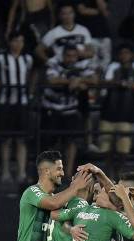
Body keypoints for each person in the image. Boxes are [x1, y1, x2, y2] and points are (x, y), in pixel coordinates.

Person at [42, 45, 98, 177]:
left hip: (71, 110)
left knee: (71, 142)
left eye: (74, 56)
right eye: (68, 56)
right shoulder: (55, 63)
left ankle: (66, 174)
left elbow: (94, 79)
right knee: (52, 143)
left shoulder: (81, 66)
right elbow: (52, 79)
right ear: (63, 56)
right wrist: (70, 81)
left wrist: (79, 80)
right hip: (53, 109)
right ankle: (51, 174)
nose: (71, 59)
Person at [99, 43, 134, 179]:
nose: (124, 56)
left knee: (123, 147)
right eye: (122, 53)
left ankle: (119, 169)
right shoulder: (113, 66)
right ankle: (109, 170)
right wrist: (119, 83)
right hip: (109, 111)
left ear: (132, 55)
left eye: (127, 53)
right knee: (106, 145)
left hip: (126, 113)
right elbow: (106, 80)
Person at [0, 31, 33, 183]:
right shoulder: (1, 59)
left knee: (22, 139)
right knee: (6, 139)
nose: (18, 45)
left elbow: (31, 74)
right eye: (15, 41)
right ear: (10, 42)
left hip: (21, 103)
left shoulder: (27, 59)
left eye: (21, 41)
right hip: (5, 103)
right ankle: (6, 171)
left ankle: (21, 172)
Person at [76, 0, 111, 72]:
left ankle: (104, 80)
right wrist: (99, 12)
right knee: (92, 64)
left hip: (104, 34)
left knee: (105, 63)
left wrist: (100, 10)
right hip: (90, 35)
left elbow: (104, 12)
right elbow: (82, 10)